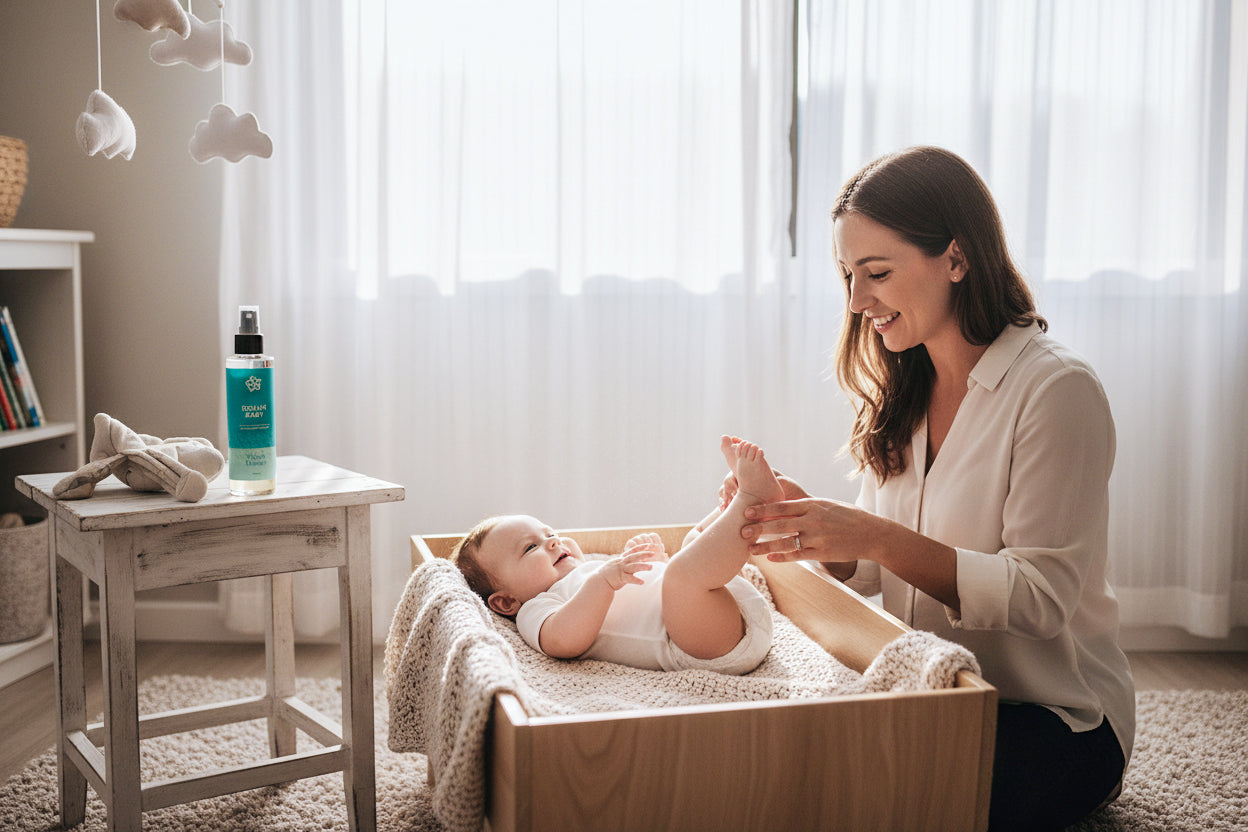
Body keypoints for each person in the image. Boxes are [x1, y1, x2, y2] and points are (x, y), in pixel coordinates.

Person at [733, 147, 1135, 831]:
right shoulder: (907, 384)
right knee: (780, 765)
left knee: (886, 801)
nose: (858, 302)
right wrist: (814, 527)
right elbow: (872, 569)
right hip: (928, 686)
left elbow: (1039, 599)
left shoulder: (1057, 391)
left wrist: (875, 536)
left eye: (877, 273)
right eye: (848, 276)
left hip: (1050, 716)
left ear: (956, 258)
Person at [451, 436, 778, 675]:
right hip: (702, 646)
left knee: (690, 547)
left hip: (724, 607)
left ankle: (733, 508)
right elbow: (564, 641)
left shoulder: (589, 569)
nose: (552, 543)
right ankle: (749, 500)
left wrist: (656, 562)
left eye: (549, 534)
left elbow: (653, 593)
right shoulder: (535, 609)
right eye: (530, 548)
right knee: (684, 575)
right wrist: (604, 581)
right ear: (505, 601)